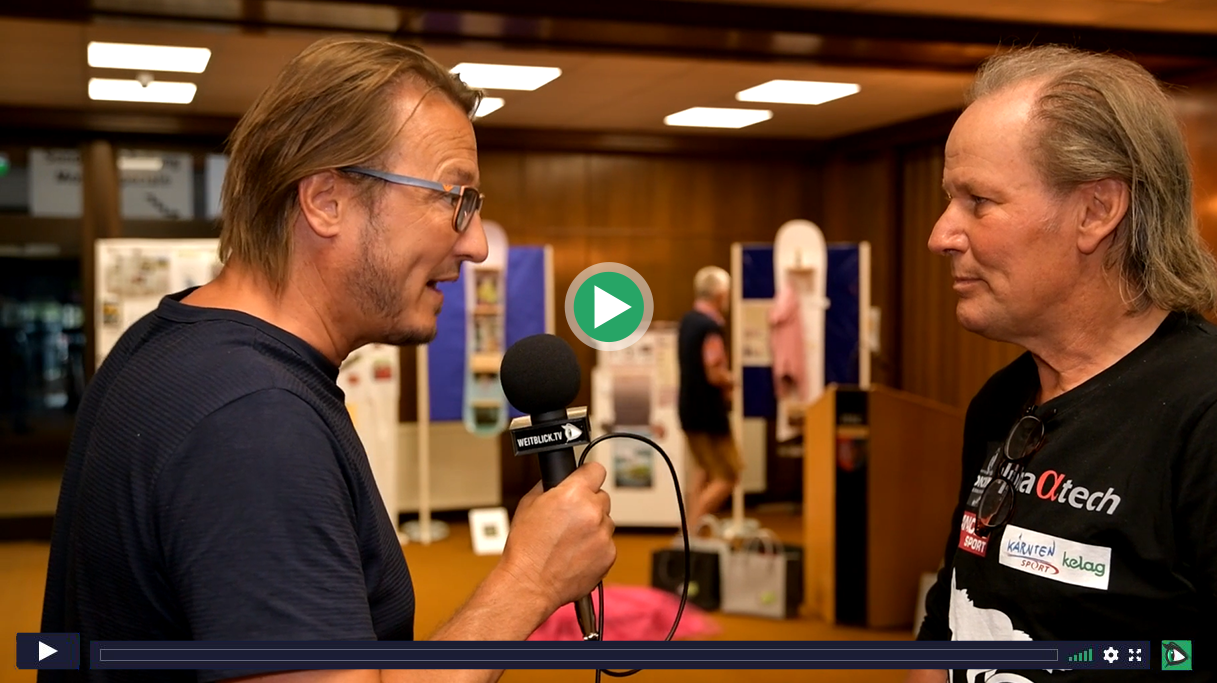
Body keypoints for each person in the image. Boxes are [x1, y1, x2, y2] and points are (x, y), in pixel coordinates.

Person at [40, 37, 616, 683]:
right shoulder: (253, 420)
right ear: (325, 201)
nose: (477, 244)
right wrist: (527, 582)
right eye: (455, 198)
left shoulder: (169, 341)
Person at [909, 45, 1217, 683]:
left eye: (978, 201)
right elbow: (949, 622)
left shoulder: (1202, 416)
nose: (941, 235)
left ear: (1097, 210)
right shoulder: (1001, 402)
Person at [677, 266, 742, 526]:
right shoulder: (711, 327)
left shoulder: (688, 321)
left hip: (688, 410)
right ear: (721, 294)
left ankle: (690, 535)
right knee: (729, 474)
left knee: (702, 471)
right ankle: (690, 531)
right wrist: (733, 380)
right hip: (709, 414)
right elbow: (714, 373)